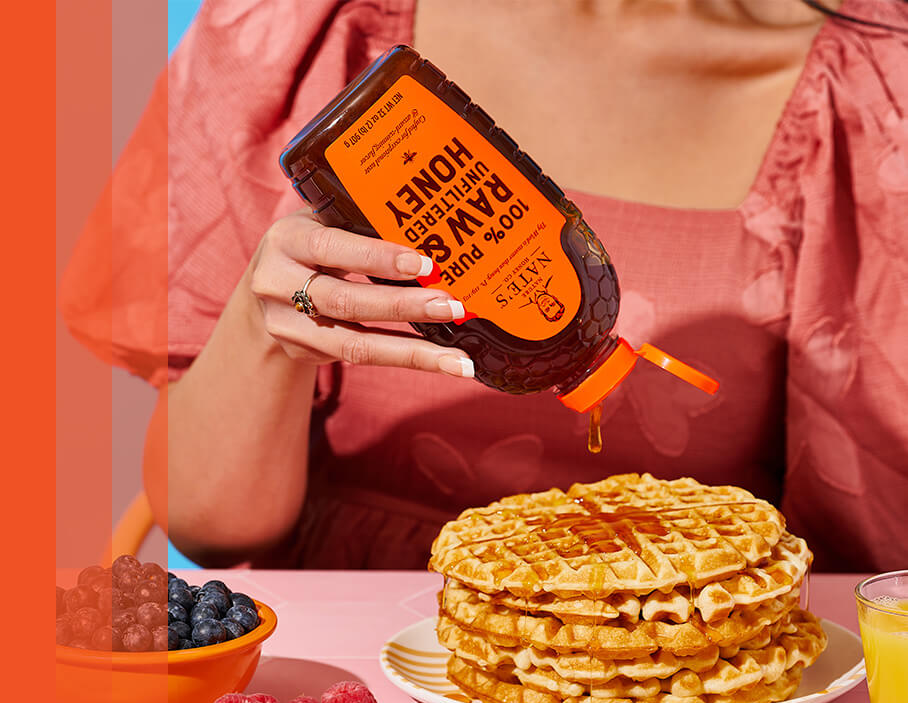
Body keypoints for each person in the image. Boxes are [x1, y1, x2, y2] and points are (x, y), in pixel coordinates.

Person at [61, 0, 908, 573]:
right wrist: (266, 333)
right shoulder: (312, 27)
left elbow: (868, 567)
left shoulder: (876, 88)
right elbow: (208, 527)